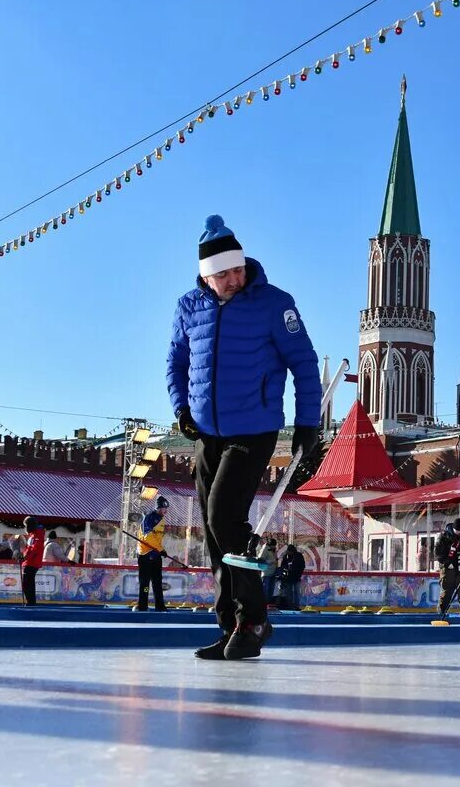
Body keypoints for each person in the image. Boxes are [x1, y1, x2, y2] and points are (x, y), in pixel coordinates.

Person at [167, 214, 320, 660]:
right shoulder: (188, 307)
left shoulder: (274, 303)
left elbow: (304, 364)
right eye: (223, 274)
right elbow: (175, 363)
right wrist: (181, 409)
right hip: (206, 435)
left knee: (222, 517)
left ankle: (254, 618)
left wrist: (307, 422)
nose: (235, 278)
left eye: (237, 269)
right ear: (206, 276)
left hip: (253, 429)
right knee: (216, 535)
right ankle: (231, 625)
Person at [435, 518, 460, 619]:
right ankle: (441, 613)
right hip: (448, 566)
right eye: (458, 531)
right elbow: (437, 553)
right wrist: (446, 562)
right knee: (447, 590)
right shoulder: (444, 536)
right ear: (453, 528)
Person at [136, 496, 170, 612]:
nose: (165, 510)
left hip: (156, 554)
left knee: (157, 582)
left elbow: (157, 538)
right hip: (145, 554)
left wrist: (161, 550)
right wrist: (160, 549)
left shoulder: (162, 520)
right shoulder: (149, 517)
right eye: (163, 507)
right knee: (145, 583)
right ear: (158, 507)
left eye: (166, 508)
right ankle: (142, 606)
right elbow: (148, 536)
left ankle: (160, 606)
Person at [20, 516, 45, 605]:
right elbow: (29, 548)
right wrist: (23, 556)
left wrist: (25, 557)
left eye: (26, 526)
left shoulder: (37, 535)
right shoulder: (33, 535)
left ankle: (30, 602)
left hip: (32, 563)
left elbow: (35, 549)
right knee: (27, 583)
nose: (25, 528)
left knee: (27, 583)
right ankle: (30, 601)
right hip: (29, 562)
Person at [276, 544, 306, 610]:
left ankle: (296, 606)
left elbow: (302, 565)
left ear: (292, 551)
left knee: (296, 592)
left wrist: (298, 572)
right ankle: (291, 606)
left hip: (296, 577)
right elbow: (282, 567)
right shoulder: (286, 556)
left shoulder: (298, 556)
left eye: (289, 551)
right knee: (290, 593)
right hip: (288, 578)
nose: (288, 553)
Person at [259, 539, 279, 606]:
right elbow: (261, 560)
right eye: (274, 546)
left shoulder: (273, 549)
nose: (274, 547)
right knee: (266, 590)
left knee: (271, 590)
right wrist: (272, 561)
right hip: (266, 573)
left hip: (273, 572)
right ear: (270, 545)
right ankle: (264, 604)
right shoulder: (265, 549)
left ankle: (269, 604)